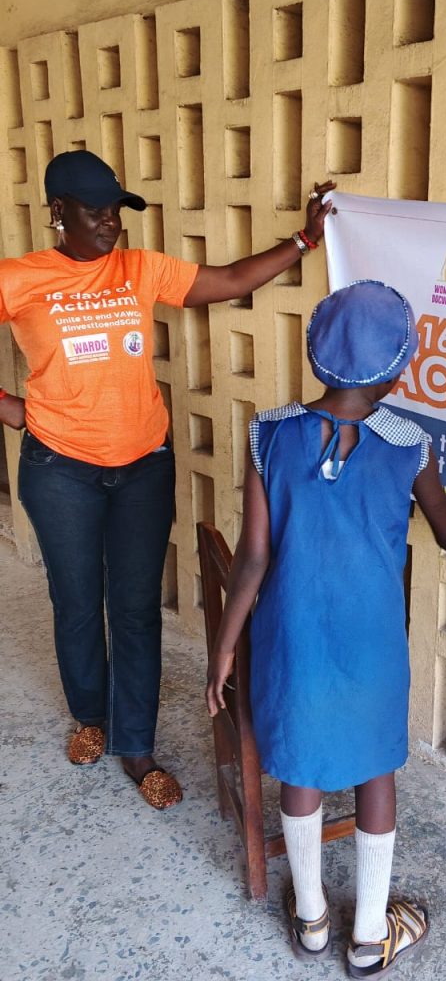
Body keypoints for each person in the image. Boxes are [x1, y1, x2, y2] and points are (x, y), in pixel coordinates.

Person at [0, 149, 334, 810]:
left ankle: (137, 746)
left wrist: (302, 241)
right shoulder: (20, 277)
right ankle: (90, 715)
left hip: (142, 465)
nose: (109, 224)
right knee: (75, 601)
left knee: (132, 609)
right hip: (58, 467)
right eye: (95, 212)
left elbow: (231, 279)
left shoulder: (136, 268)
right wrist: (15, 413)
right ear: (57, 212)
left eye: (116, 212)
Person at [206, 280, 446, 974]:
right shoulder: (411, 443)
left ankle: (311, 921)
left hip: (291, 640)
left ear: (316, 356)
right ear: (399, 367)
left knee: (298, 764)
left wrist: (226, 647)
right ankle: (368, 940)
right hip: (372, 644)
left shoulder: (269, 433)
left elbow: (254, 558)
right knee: (373, 774)